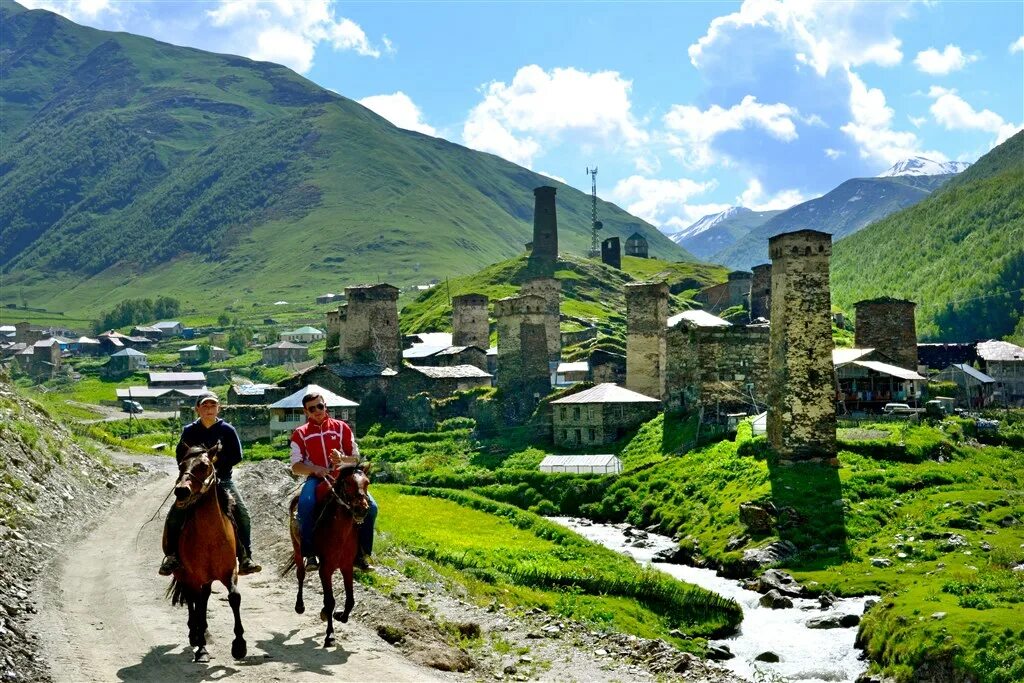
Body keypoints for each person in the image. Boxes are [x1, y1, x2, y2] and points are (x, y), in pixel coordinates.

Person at [159, 392, 262, 576]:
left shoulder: (227, 430)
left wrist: (214, 464)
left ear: (218, 408)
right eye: (205, 406)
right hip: (194, 483)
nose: (209, 409)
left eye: (212, 406)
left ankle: (245, 556)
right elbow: (180, 455)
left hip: (222, 480)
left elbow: (237, 456)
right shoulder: (189, 431)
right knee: (175, 513)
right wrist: (191, 474)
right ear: (197, 409)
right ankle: (172, 556)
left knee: (243, 514)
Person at [290, 391, 377, 571]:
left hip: (343, 477)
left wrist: (342, 459)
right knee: (306, 503)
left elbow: (355, 459)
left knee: (372, 507)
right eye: (311, 408)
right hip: (317, 478)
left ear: (325, 406)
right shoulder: (300, 434)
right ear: (306, 412)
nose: (317, 411)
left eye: (319, 406)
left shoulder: (341, 427)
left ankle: (362, 553)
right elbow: (295, 466)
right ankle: (310, 553)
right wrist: (314, 469)